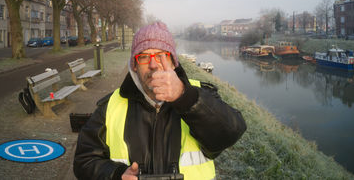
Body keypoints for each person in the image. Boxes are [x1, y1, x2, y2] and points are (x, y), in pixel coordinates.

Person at [74, 21, 246, 180]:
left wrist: (184, 97)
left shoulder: (200, 96)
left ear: (173, 63)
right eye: (144, 57)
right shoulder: (110, 105)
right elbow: (84, 161)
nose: (154, 65)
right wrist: (116, 174)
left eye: (161, 55)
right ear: (134, 65)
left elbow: (231, 133)